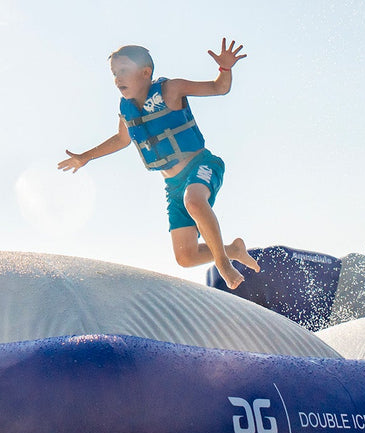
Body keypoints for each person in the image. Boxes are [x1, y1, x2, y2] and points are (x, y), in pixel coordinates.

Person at [58, 39, 261, 289]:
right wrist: (85, 156)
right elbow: (122, 139)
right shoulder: (127, 109)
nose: (116, 78)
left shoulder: (170, 90)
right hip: (172, 184)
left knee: (194, 201)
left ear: (145, 72)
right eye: (113, 73)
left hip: (200, 164)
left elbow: (219, 88)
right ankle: (232, 249)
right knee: (185, 257)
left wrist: (225, 69)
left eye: (123, 71)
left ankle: (223, 264)